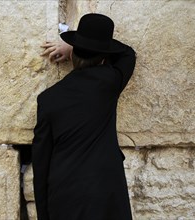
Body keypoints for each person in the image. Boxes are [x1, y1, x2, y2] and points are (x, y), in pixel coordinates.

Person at [32, 13, 136, 220]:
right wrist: (75, 46)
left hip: (64, 194)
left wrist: (44, 214)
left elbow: (41, 161)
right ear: (104, 58)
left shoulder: (48, 99)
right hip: (106, 191)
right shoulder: (109, 82)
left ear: (72, 56)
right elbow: (128, 54)